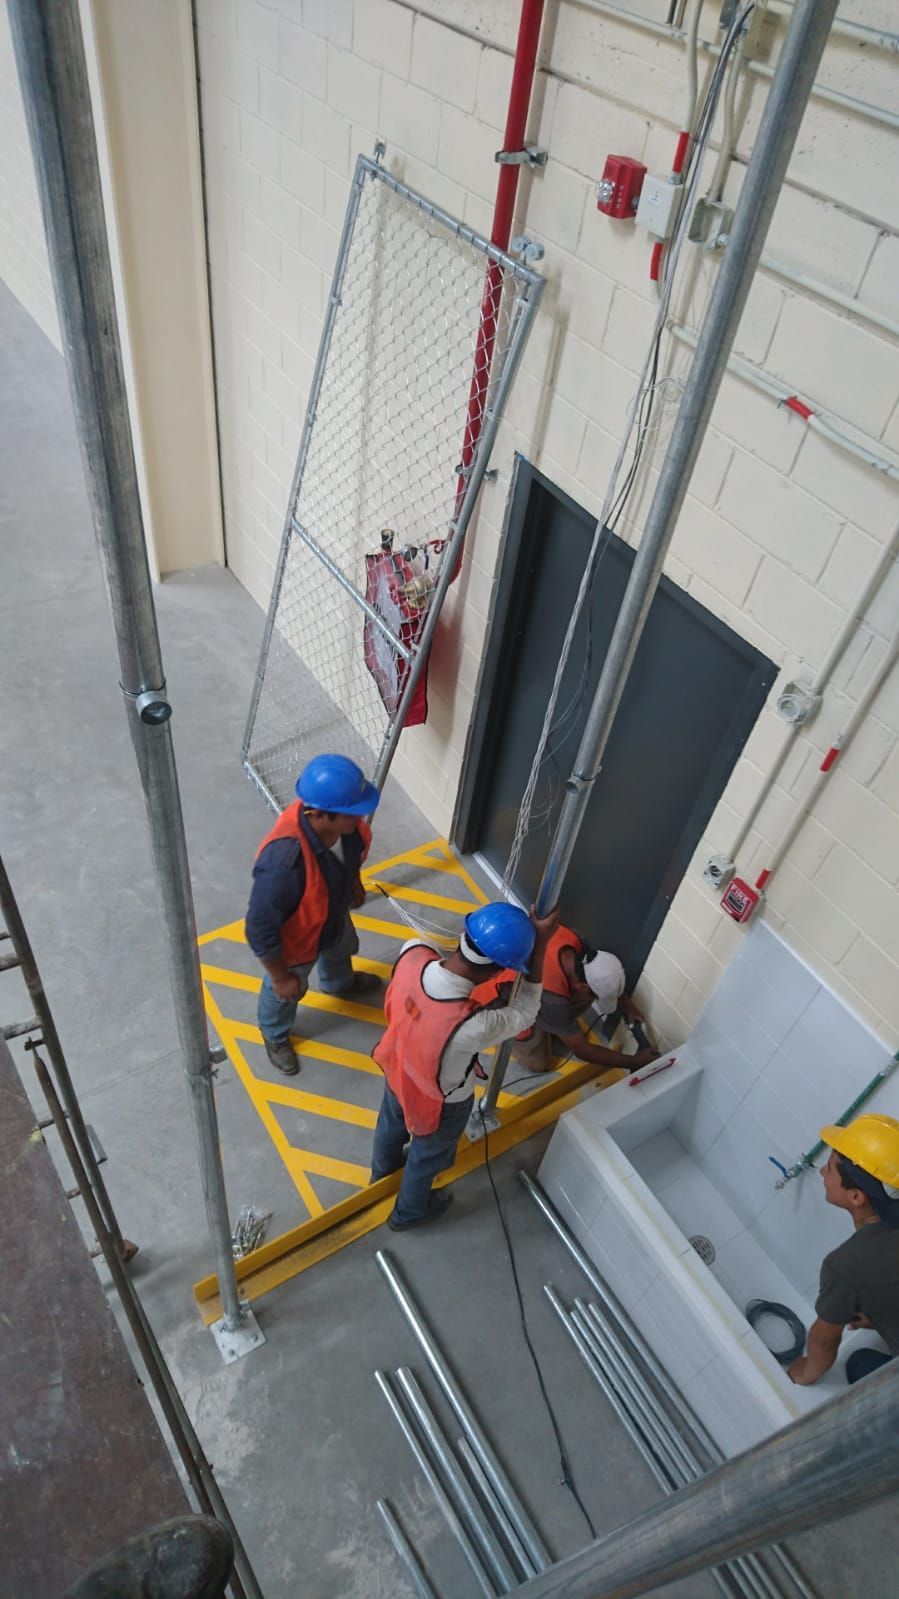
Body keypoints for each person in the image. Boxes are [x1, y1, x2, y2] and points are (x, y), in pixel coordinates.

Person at [370, 901, 560, 1231]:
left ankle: (382, 1173)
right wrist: (540, 944)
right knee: (427, 1156)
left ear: (463, 934)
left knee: (391, 1124)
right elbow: (527, 1013)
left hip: (397, 1066)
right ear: (499, 971)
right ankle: (408, 1213)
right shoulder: (473, 1025)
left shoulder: (413, 952)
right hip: (440, 1100)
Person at [245, 754, 381, 1076]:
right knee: (286, 993)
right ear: (319, 814)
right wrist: (281, 977)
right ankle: (275, 1034)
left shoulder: (348, 830)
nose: (361, 818)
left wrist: (354, 884)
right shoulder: (283, 864)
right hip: (298, 939)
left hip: (331, 917)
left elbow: (351, 859)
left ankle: (338, 983)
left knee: (340, 949)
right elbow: (259, 930)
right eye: (351, 813)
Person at [787, 1113, 899, 1387]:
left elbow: (824, 1340)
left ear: (856, 1197)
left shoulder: (848, 1264)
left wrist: (803, 1373)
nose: (823, 1172)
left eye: (829, 1168)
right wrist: (877, 1318)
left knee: (860, 1362)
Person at [475, 921, 656, 1074]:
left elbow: (603, 975)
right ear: (583, 985)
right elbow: (583, 1051)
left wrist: (627, 1005)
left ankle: (554, 1024)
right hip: (492, 1003)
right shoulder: (552, 997)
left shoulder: (575, 942)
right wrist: (635, 1062)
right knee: (538, 1064)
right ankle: (518, 1033)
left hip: (517, 978)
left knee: (582, 998)